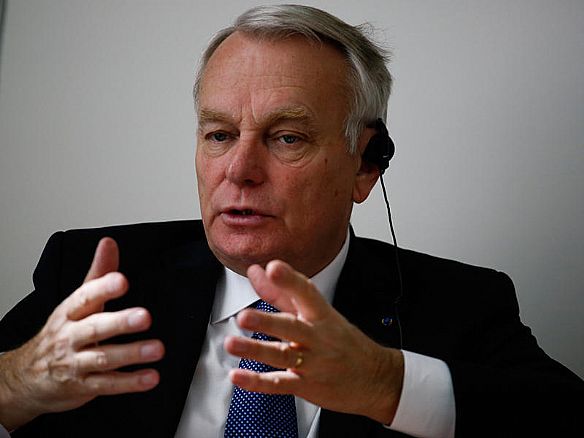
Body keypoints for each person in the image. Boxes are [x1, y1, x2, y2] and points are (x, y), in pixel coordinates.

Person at [0, 4, 581, 437]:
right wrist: (18, 383)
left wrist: (387, 384)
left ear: (365, 166)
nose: (239, 170)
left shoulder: (462, 304)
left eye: (287, 138)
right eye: (220, 135)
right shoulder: (94, 279)